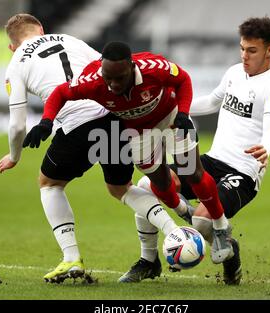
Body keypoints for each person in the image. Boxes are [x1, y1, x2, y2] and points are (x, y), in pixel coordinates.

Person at [0, 14, 185, 284]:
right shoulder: (69, 39)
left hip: (76, 126)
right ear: (41, 29)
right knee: (121, 188)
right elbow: (108, 72)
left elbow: (17, 126)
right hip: (113, 117)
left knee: (49, 183)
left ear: (12, 46)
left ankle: (71, 257)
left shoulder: (16, 62)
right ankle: (175, 232)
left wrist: (14, 156)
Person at [24, 41, 236, 275]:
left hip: (172, 118)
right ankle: (183, 209)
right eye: (108, 78)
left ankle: (220, 226)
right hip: (138, 133)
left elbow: (183, 79)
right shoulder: (93, 80)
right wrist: (46, 121)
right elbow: (60, 93)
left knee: (192, 172)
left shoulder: (153, 68)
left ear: (132, 68)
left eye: (120, 78)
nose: (113, 85)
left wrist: (184, 112)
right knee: (162, 184)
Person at [133, 16, 270, 285]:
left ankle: (230, 251)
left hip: (243, 172)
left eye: (252, 50)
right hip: (213, 161)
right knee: (146, 184)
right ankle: (150, 259)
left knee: (203, 223)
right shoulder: (233, 73)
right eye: (242, 48)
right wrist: (171, 105)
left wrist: (267, 147)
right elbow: (211, 102)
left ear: (269, 50)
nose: (244, 56)